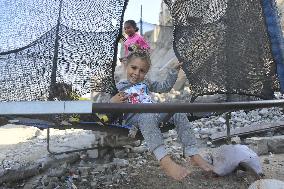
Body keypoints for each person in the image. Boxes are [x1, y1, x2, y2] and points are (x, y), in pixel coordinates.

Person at [110, 50, 213, 180]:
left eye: (142, 71)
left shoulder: (146, 83)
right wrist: (112, 102)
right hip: (136, 121)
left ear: (146, 73)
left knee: (176, 109)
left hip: (154, 114)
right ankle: (165, 161)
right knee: (146, 115)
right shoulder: (119, 87)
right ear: (126, 66)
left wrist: (173, 72)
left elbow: (164, 87)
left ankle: (193, 153)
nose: (136, 73)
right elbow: (107, 108)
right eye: (134, 68)